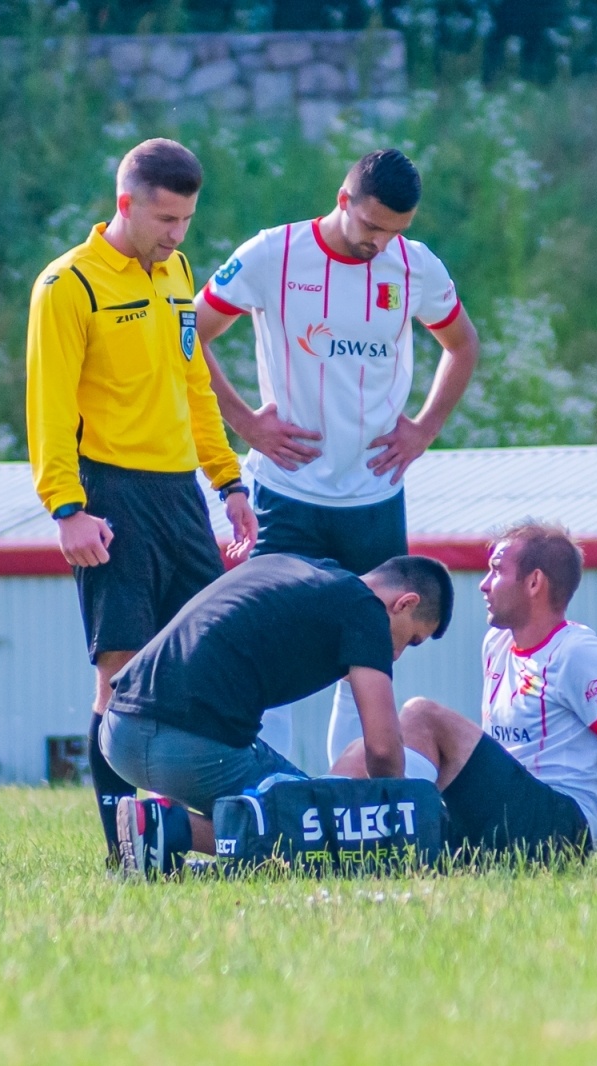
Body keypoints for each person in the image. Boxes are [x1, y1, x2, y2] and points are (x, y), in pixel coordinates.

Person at [194, 148, 481, 765]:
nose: (381, 243)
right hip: (285, 495)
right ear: (343, 200)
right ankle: (268, 806)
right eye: (372, 226)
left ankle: (346, 803)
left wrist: (423, 430)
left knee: (367, 663)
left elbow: (462, 345)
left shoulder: (414, 267)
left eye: (396, 232)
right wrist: (244, 419)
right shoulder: (274, 252)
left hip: (373, 499)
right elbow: (188, 333)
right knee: (268, 653)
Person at [25, 137, 259, 866]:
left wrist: (228, 482)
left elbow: (193, 386)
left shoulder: (179, 272)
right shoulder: (70, 286)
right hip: (109, 495)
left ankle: (216, 826)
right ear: (124, 204)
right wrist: (66, 508)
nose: (176, 235)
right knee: (121, 675)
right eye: (164, 219)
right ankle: (127, 849)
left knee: (208, 660)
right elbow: (50, 405)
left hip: (180, 495)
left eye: (186, 219)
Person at [333, 522, 597, 866]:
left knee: (420, 715)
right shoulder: (496, 644)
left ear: (534, 583)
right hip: (506, 817)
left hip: (561, 827)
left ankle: (367, 827)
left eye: (497, 570)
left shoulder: (580, 654)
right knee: (364, 751)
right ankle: (308, 826)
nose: (483, 584)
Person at [100, 552, 455, 878]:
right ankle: (169, 827)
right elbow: (381, 750)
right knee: (318, 822)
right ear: (405, 603)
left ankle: (165, 843)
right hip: (185, 744)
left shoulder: (290, 566)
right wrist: (393, 822)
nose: (396, 656)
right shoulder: (366, 610)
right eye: (411, 640)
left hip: (117, 731)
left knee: (288, 795)